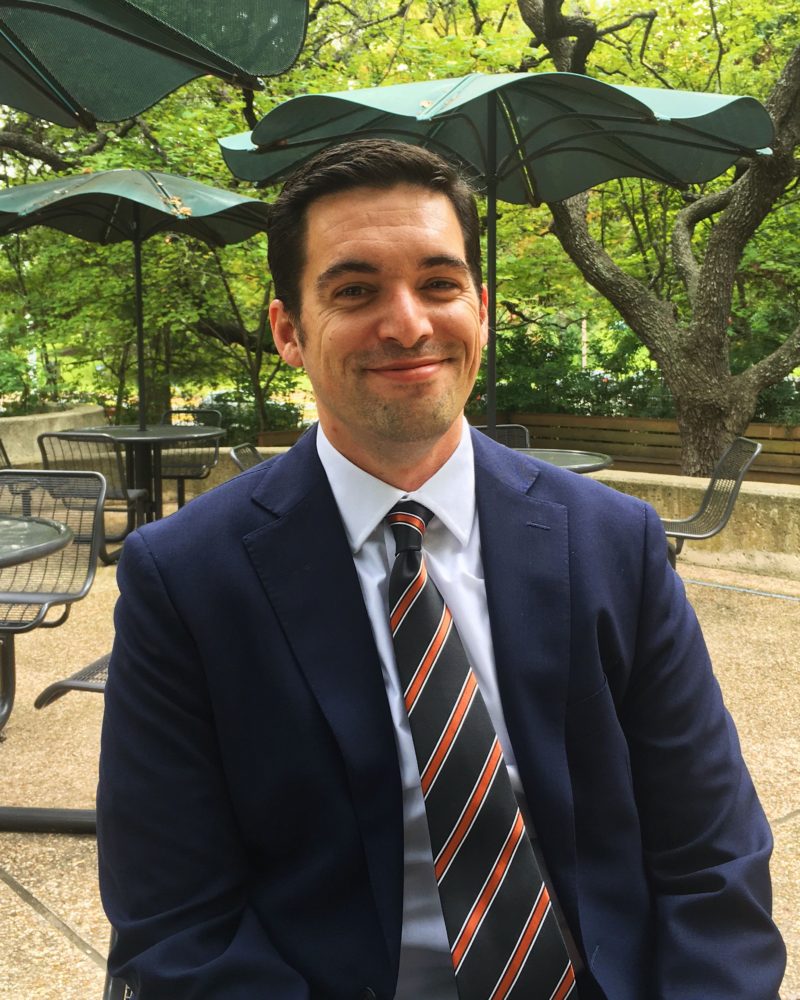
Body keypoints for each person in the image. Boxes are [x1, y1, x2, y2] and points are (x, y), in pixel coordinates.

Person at [97, 139, 785, 1000]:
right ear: (287, 331)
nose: (409, 324)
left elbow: (711, 858)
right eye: (354, 291)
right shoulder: (185, 578)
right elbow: (177, 923)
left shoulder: (615, 542)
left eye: (439, 283)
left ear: (481, 309)